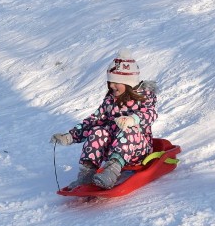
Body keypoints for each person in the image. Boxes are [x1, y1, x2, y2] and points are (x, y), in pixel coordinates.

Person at [50, 50, 158, 189]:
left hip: (138, 149)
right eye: (110, 81)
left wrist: (132, 119)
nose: (111, 85)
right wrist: (70, 136)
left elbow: (151, 114)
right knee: (98, 131)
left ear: (128, 82)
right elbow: (94, 120)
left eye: (116, 82)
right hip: (113, 148)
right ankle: (87, 174)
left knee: (128, 130)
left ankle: (111, 173)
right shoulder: (110, 101)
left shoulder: (145, 98)